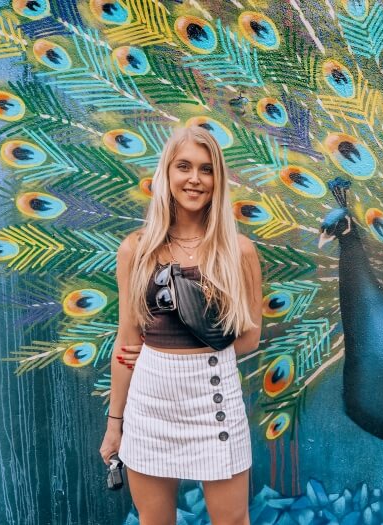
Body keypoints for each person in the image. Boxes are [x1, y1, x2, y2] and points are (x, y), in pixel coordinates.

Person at [99, 126, 262, 525]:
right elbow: (126, 342)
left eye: (206, 170)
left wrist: (191, 350)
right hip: (150, 403)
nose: (194, 179)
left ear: (217, 180)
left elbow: (251, 337)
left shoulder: (239, 251)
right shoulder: (136, 250)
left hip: (214, 399)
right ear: (166, 174)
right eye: (184, 167)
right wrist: (114, 424)